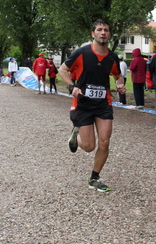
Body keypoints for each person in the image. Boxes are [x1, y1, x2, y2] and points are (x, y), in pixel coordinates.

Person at [58, 19, 125, 192]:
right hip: (83, 103)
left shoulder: (112, 57)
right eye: (99, 30)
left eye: (106, 30)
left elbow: (118, 76)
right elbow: (62, 70)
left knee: (105, 141)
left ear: (109, 34)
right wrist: (72, 86)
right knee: (89, 147)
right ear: (93, 34)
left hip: (103, 103)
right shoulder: (82, 53)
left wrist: (119, 84)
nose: (103, 33)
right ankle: (77, 133)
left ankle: (94, 178)